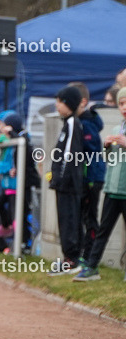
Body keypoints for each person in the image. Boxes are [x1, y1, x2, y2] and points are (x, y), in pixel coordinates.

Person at [76, 87, 126, 281]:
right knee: (103, 230)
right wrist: (107, 147)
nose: (124, 107)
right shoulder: (116, 129)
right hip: (112, 189)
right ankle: (91, 267)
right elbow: (111, 160)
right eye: (121, 103)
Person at [0, 111, 40, 252]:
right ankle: (7, 229)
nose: (0, 129)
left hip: (20, 184)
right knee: (0, 205)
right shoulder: (6, 140)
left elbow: (20, 154)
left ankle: (22, 243)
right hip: (9, 184)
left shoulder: (21, 138)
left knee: (19, 215)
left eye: (2, 126)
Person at [48, 85, 85, 276]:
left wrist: (61, 178)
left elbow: (70, 155)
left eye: (60, 102)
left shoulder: (72, 124)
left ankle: (72, 259)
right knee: (65, 220)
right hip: (64, 183)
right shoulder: (67, 124)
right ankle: (69, 257)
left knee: (69, 220)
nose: (57, 105)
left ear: (69, 104)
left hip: (68, 184)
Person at [69, 82, 105, 255]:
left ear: (82, 102)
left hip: (91, 178)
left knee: (89, 218)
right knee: (81, 216)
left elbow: (90, 151)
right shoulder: (76, 122)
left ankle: (90, 255)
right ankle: (83, 253)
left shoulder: (87, 124)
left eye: (71, 100)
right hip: (83, 178)